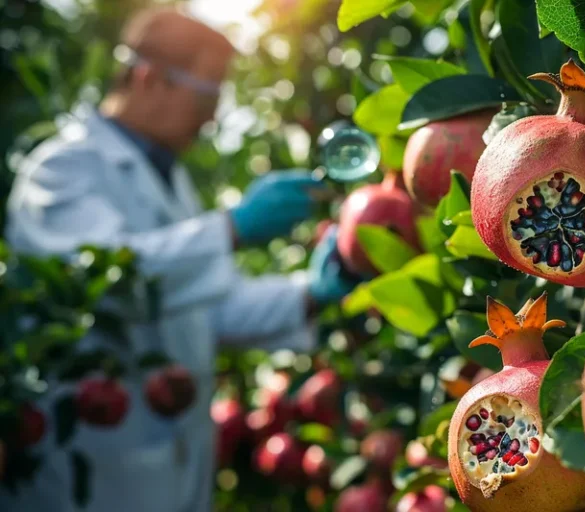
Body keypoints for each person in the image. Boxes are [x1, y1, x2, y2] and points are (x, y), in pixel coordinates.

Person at [1, 6, 358, 512]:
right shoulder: (61, 170)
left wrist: (311, 292)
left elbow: (204, 309)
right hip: (88, 476)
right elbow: (101, 279)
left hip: (171, 471)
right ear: (148, 77)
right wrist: (233, 229)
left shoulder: (173, 182)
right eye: (209, 92)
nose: (213, 115)